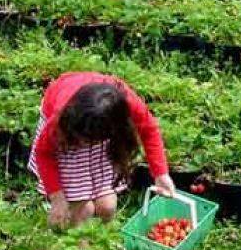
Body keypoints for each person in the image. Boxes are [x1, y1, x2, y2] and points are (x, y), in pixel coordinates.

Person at [28, 72, 176, 228]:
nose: (86, 145)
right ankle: (80, 241)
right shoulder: (63, 116)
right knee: (83, 210)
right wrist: (57, 198)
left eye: (91, 141)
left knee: (107, 206)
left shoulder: (125, 104)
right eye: (84, 140)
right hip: (67, 133)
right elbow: (44, 152)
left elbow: (149, 129)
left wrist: (161, 174)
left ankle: (102, 236)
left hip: (98, 125)